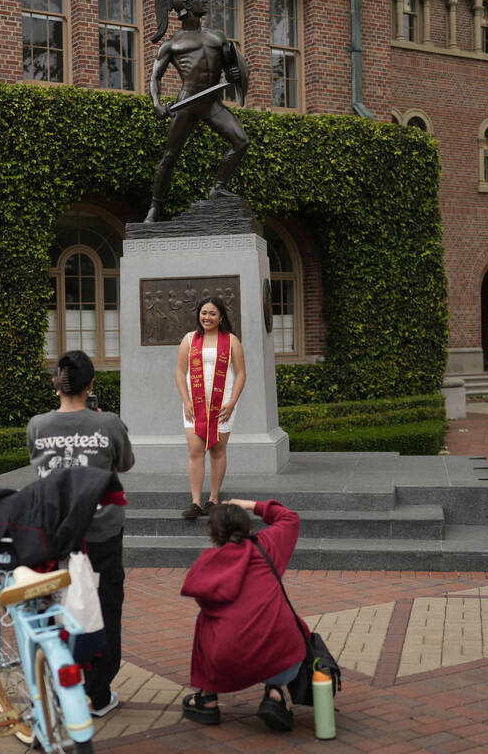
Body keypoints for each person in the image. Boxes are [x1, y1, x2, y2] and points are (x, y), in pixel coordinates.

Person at [26, 349, 135, 717]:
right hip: (102, 532)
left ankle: (61, 686)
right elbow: (125, 463)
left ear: (57, 385)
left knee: (57, 609)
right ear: (91, 385)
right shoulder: (109, 424)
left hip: (54, 535)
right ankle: (97, 693)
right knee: (104, 606)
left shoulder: (37, 425)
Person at [179, 498, 307, 732]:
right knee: (288, 624)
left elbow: (203, 600)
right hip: (277, 649)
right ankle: (276, 693)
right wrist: (249, 504)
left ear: (214, 536)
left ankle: (207, 699)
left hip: (228, 656)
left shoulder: (206, 563)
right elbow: (290, 517)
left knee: (204, 620)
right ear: (249, 528)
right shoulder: (267, 545)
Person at [143, 0, 248, 223]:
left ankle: (218, 187)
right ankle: (154, 208)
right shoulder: (171, 44)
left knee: (241, 142)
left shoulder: (217, 37)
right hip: (187, 102)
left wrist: (235, 74)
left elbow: (232, 66)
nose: (205, 1)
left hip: (212, 102)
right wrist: (157, 104)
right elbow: (155, 77)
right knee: (170, 155)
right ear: (187, 7)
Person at [175, 296, 245, 519]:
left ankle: (213, 499)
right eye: (204, 313)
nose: (207, 317)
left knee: (217, 451)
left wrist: (232, 402)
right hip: (194, 405)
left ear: (221, 316)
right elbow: (179, 372)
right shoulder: (188, 339)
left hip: (222, 404)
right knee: (195, 451)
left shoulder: (231, 340)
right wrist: (186, 401)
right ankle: (195, 502)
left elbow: (241, 373)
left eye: (213, 313)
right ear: (199, 315)